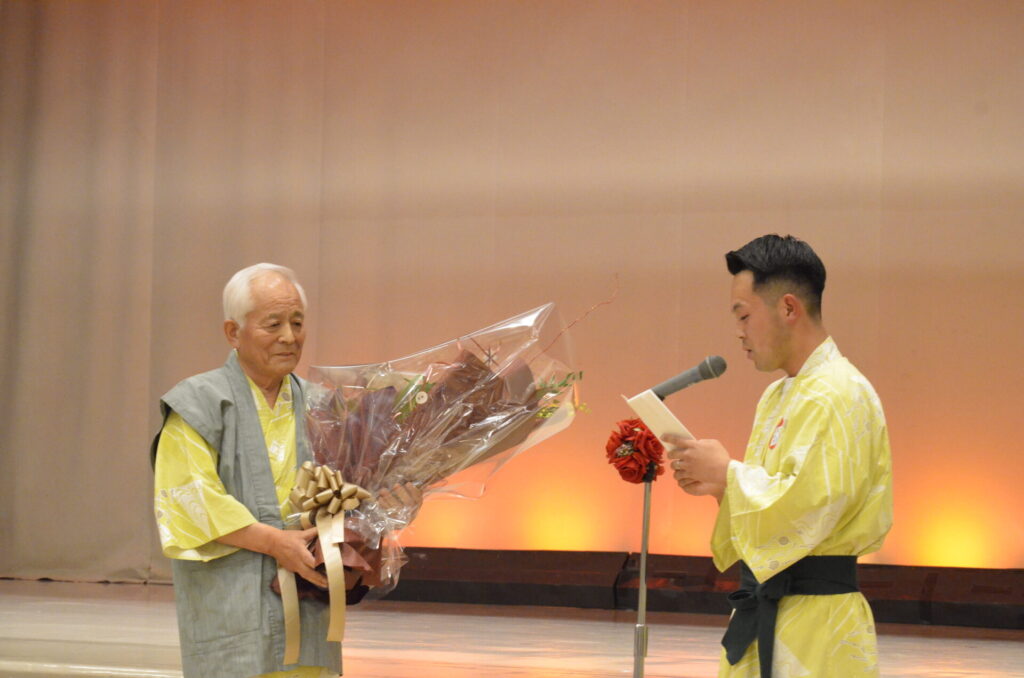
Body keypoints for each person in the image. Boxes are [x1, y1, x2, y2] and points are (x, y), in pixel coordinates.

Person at [152, 263, 420, 678]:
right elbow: (188, 498)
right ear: (233, 332)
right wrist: (275, 543)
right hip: (233, 609)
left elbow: (354, 499)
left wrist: (389, 507)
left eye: (297, 322)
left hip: (310, 605)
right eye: (273, 324)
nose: (289, 337)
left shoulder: (326, 408)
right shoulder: (199, 403)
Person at [664, 235, 893, 678]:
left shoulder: (840, 391)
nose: (739, 332)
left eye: (744, 315)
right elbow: (779, 502)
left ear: (789, 308)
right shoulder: (778, 395)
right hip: (771, 602)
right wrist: (721, 489)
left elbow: (813, 505)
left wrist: (729, 475)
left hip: (818, 619)